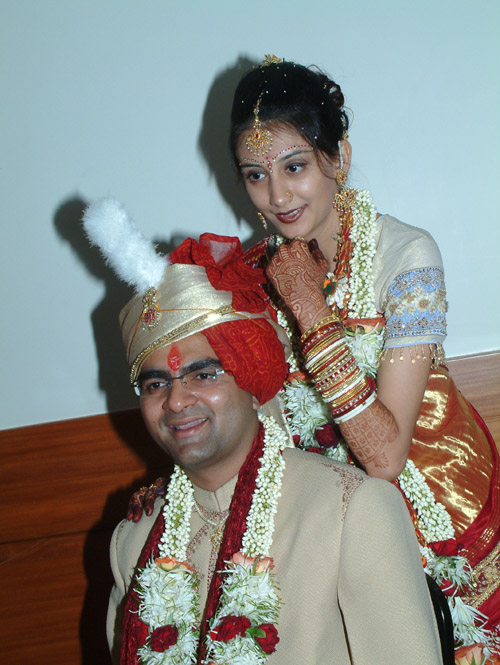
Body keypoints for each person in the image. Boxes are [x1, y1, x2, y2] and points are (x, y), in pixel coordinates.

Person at [129, 56, 500, 658]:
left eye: (295, 166)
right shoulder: (251, 279)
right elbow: (251, 417)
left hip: (444, 515)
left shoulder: (405, 255)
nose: (277, 195)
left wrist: (310, 312)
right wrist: (183, 484)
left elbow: (385, 458)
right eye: (255, 175)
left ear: (339, 158)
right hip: (331, 521)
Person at [84, 200, 443, 664]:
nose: (176, 401)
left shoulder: (350, 510)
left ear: (253, 385)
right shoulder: (133, 541)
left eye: (204, 375)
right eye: (156, 384)